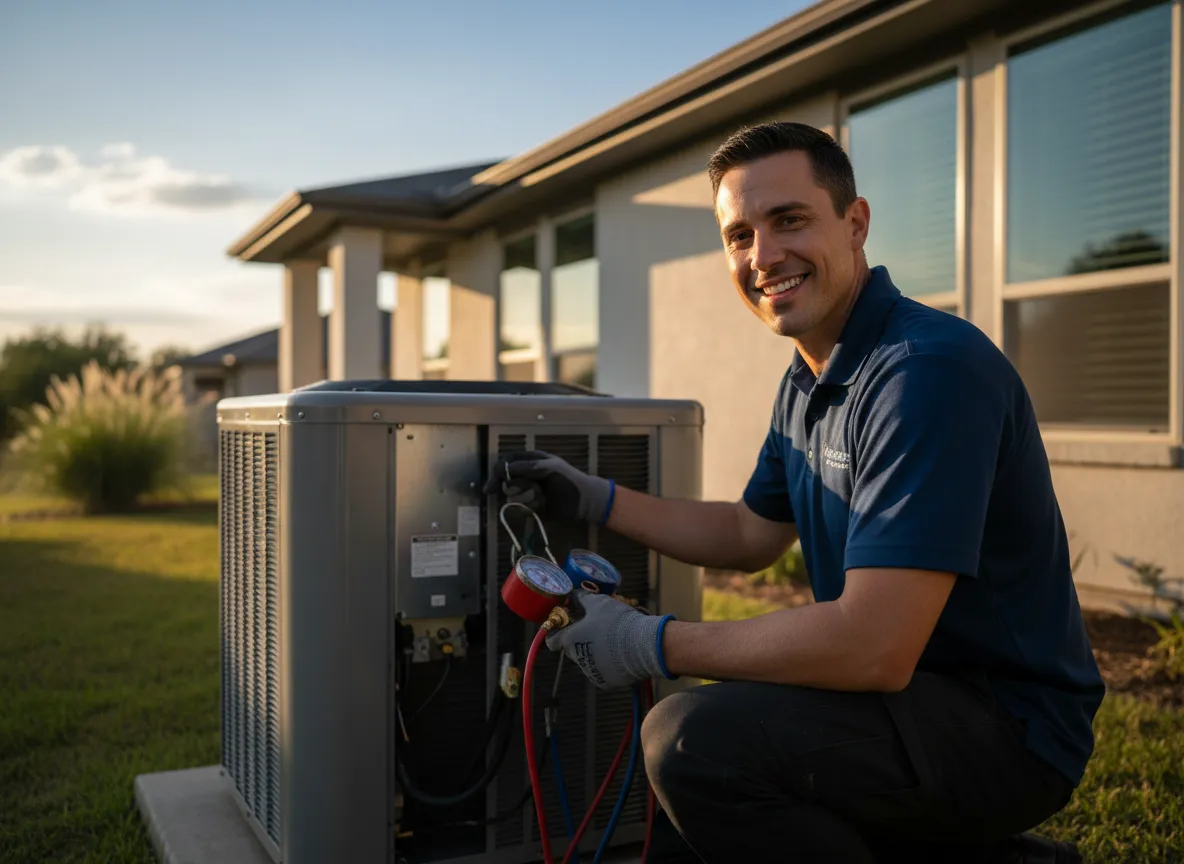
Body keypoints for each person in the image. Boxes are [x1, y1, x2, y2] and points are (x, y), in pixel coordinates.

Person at [486, 122, 1103, 863]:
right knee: (684, 804)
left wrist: (648, 641)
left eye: (788, 220)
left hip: (1008, 726)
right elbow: (750, 533)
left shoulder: (925, 373)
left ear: (856, 222)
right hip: (905, 701)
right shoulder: (811, 375)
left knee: (691, 742)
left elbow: (875, 646)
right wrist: (593, 496)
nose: (762, 256)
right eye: (739, 234)